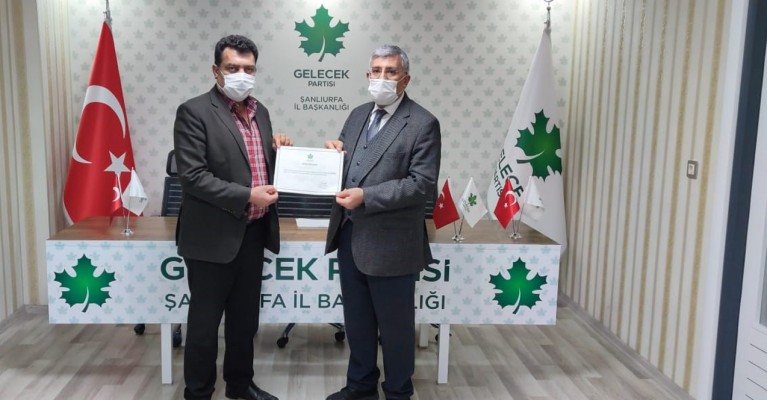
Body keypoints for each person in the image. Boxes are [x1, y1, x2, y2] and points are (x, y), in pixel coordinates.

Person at [173, 34, 291, 400]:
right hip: (211, 238)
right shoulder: (194, 112)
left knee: (244, 322)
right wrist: (247, 195)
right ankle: (198, 392)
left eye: (249, 68)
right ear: (216, 70)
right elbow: (193, 177)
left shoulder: (261, 112)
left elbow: (256, 166)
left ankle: (240, 386)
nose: (242, 75)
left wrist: (281, 152)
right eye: (233, 67)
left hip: (253, 233)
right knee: (205, 325)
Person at [324, 45, 441, 400]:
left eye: (390, 71)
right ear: (367, 75)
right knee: (357, 322)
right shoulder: (358, 114)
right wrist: (333, 157)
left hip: (392, 244)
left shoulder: (422, 123)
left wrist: (366, 197)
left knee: (395, 328)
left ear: (405, 79)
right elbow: (351, 166)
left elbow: (420, 185)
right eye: (376, 70)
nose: (382, 77)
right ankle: (361, 387)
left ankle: (398, 391)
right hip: (350, 236)